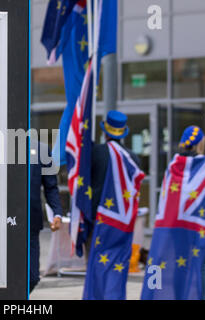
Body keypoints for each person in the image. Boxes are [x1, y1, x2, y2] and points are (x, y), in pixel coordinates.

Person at [141, 126, 205, 300]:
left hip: (175, 228)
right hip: (197, 227)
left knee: (180, 265)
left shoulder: (173, 166)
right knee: (201, 266)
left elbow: (167, 198)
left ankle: (179, 296)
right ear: (200, 143)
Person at [83, 110, 145, 300]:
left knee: (95, 267)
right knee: (116, 267)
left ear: (105, 132)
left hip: (97, 221)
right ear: (123, 132)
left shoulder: (95, 153)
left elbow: (84, 183)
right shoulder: (133, 158)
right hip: (121, 224)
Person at [29, 139, 63, 293]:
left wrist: (57, 213)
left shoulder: (41, 149)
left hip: (30, 223)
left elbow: (50, 187)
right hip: (1, 223)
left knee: (32, 277)